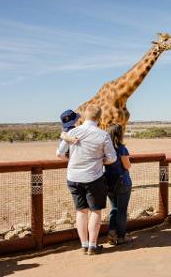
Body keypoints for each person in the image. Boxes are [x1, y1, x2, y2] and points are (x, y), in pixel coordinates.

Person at [56, 105, 117, 255]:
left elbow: (59, 153)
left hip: (73, 177)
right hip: (93, 177)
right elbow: (112, 158)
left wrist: (71, 161)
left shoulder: (72, 132)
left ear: (84, 117)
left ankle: (83, 245)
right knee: (95, 211)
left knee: (81, 212)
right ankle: (92, 246)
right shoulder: (103, 135)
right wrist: (100, 161)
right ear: (99, 118)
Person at [104, 123, 133, 246]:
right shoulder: (121, 149)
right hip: (122, 182)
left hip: (109, 182)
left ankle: (112, 232)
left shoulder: (104, 149)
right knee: (122, 210)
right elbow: (127, 165)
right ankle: (121, 237)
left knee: (114, 208)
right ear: (119, 134)